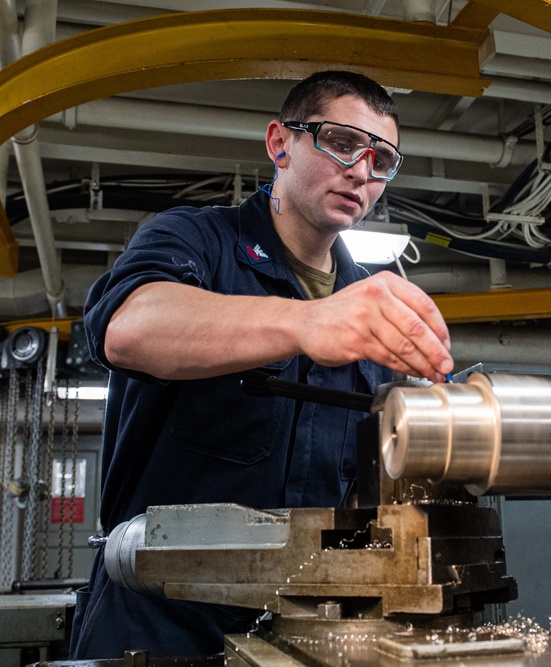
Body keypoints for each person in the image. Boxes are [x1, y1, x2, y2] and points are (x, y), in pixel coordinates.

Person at [69, 70, 453, 659]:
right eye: (343, 143)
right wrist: (305, 322)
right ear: (280, 144)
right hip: (160, 628)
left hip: (300, 629)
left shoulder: (372, 309)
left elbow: (361, 494)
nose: (361, 171)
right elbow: (129, 328)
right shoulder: (198, 240)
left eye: (381, 159)